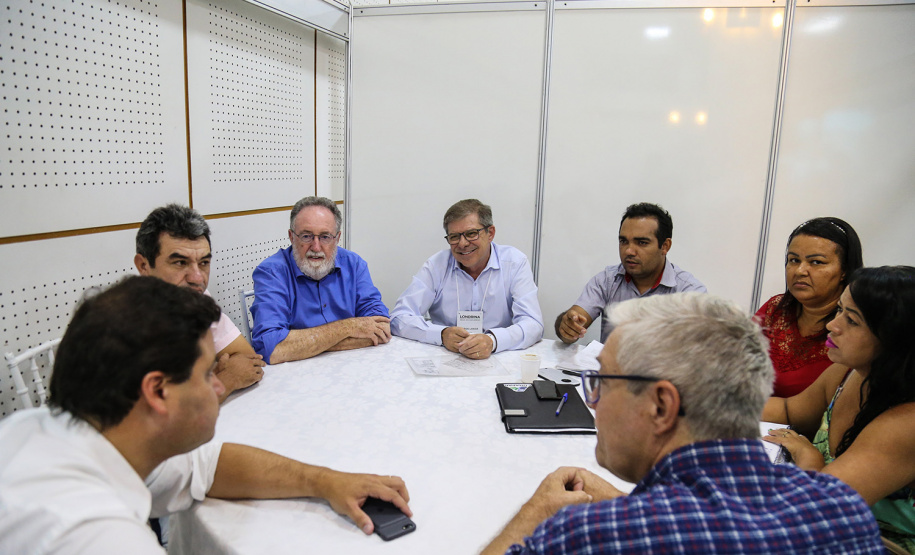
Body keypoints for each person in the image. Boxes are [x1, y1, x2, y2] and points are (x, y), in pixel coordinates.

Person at [0, 277, 411, 553]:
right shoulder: (97, 536)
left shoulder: (56, 431)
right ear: (157, 391)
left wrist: (324, 480)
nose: (219, 385)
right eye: (207, 372)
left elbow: (209, 466)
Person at [483, 292, 882, 555]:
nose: (593, 401)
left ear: (660, 406)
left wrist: (534, 512)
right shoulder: (844, 509)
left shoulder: (589, 535)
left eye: (601, 381)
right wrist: (632, 505)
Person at [763, 266, 915, 552]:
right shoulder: (847, 373)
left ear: (895, 339)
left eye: (853, 320)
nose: (833, 325)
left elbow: (817, 510)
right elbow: (787, 410)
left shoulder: (906, 423)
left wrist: (809, 457)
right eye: (839, 310)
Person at [135, 204, 265, 402]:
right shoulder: (123, 321)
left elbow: (249, 361)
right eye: (180, 263)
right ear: (144, 266)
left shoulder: (197, 299)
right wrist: (226, 379)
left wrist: (204, 380)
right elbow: (157, 416)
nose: (197, 278)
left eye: (204, 263)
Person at [390, 199, 543, 360]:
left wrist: (493, 340)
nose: (462, 244)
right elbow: (399, 318)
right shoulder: (437, 265)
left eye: (471, 234)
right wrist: (441, 334)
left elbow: (533, 324)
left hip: (498, 357)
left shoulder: (514, 263)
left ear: (490, 233)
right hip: (446, 357)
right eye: (454, 237)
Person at [251, 197, 390, 364]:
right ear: (291, 236)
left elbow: (382, 328)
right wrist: (348, 327)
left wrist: (305, 345)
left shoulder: (354, 264)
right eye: (306, 236)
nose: (316, 247)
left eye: (325, 237)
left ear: (337, 238)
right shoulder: (271, 273)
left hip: (353, 367)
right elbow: (270, 347)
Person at [555, 202, 705, 344]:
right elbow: (576, 318)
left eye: (642, 243)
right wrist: (568, 328)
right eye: (623, 241)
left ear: (665, 246)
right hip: (609, 370)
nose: (629, 251)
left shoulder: (689, 293)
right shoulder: (607, 281)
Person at [755, 217, 863, 397]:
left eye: (816, 262)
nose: (800, 271)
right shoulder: (776, 309)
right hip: (756, 418)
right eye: (794, 260)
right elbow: (733, 362)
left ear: (844, 270)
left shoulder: (855, 325)